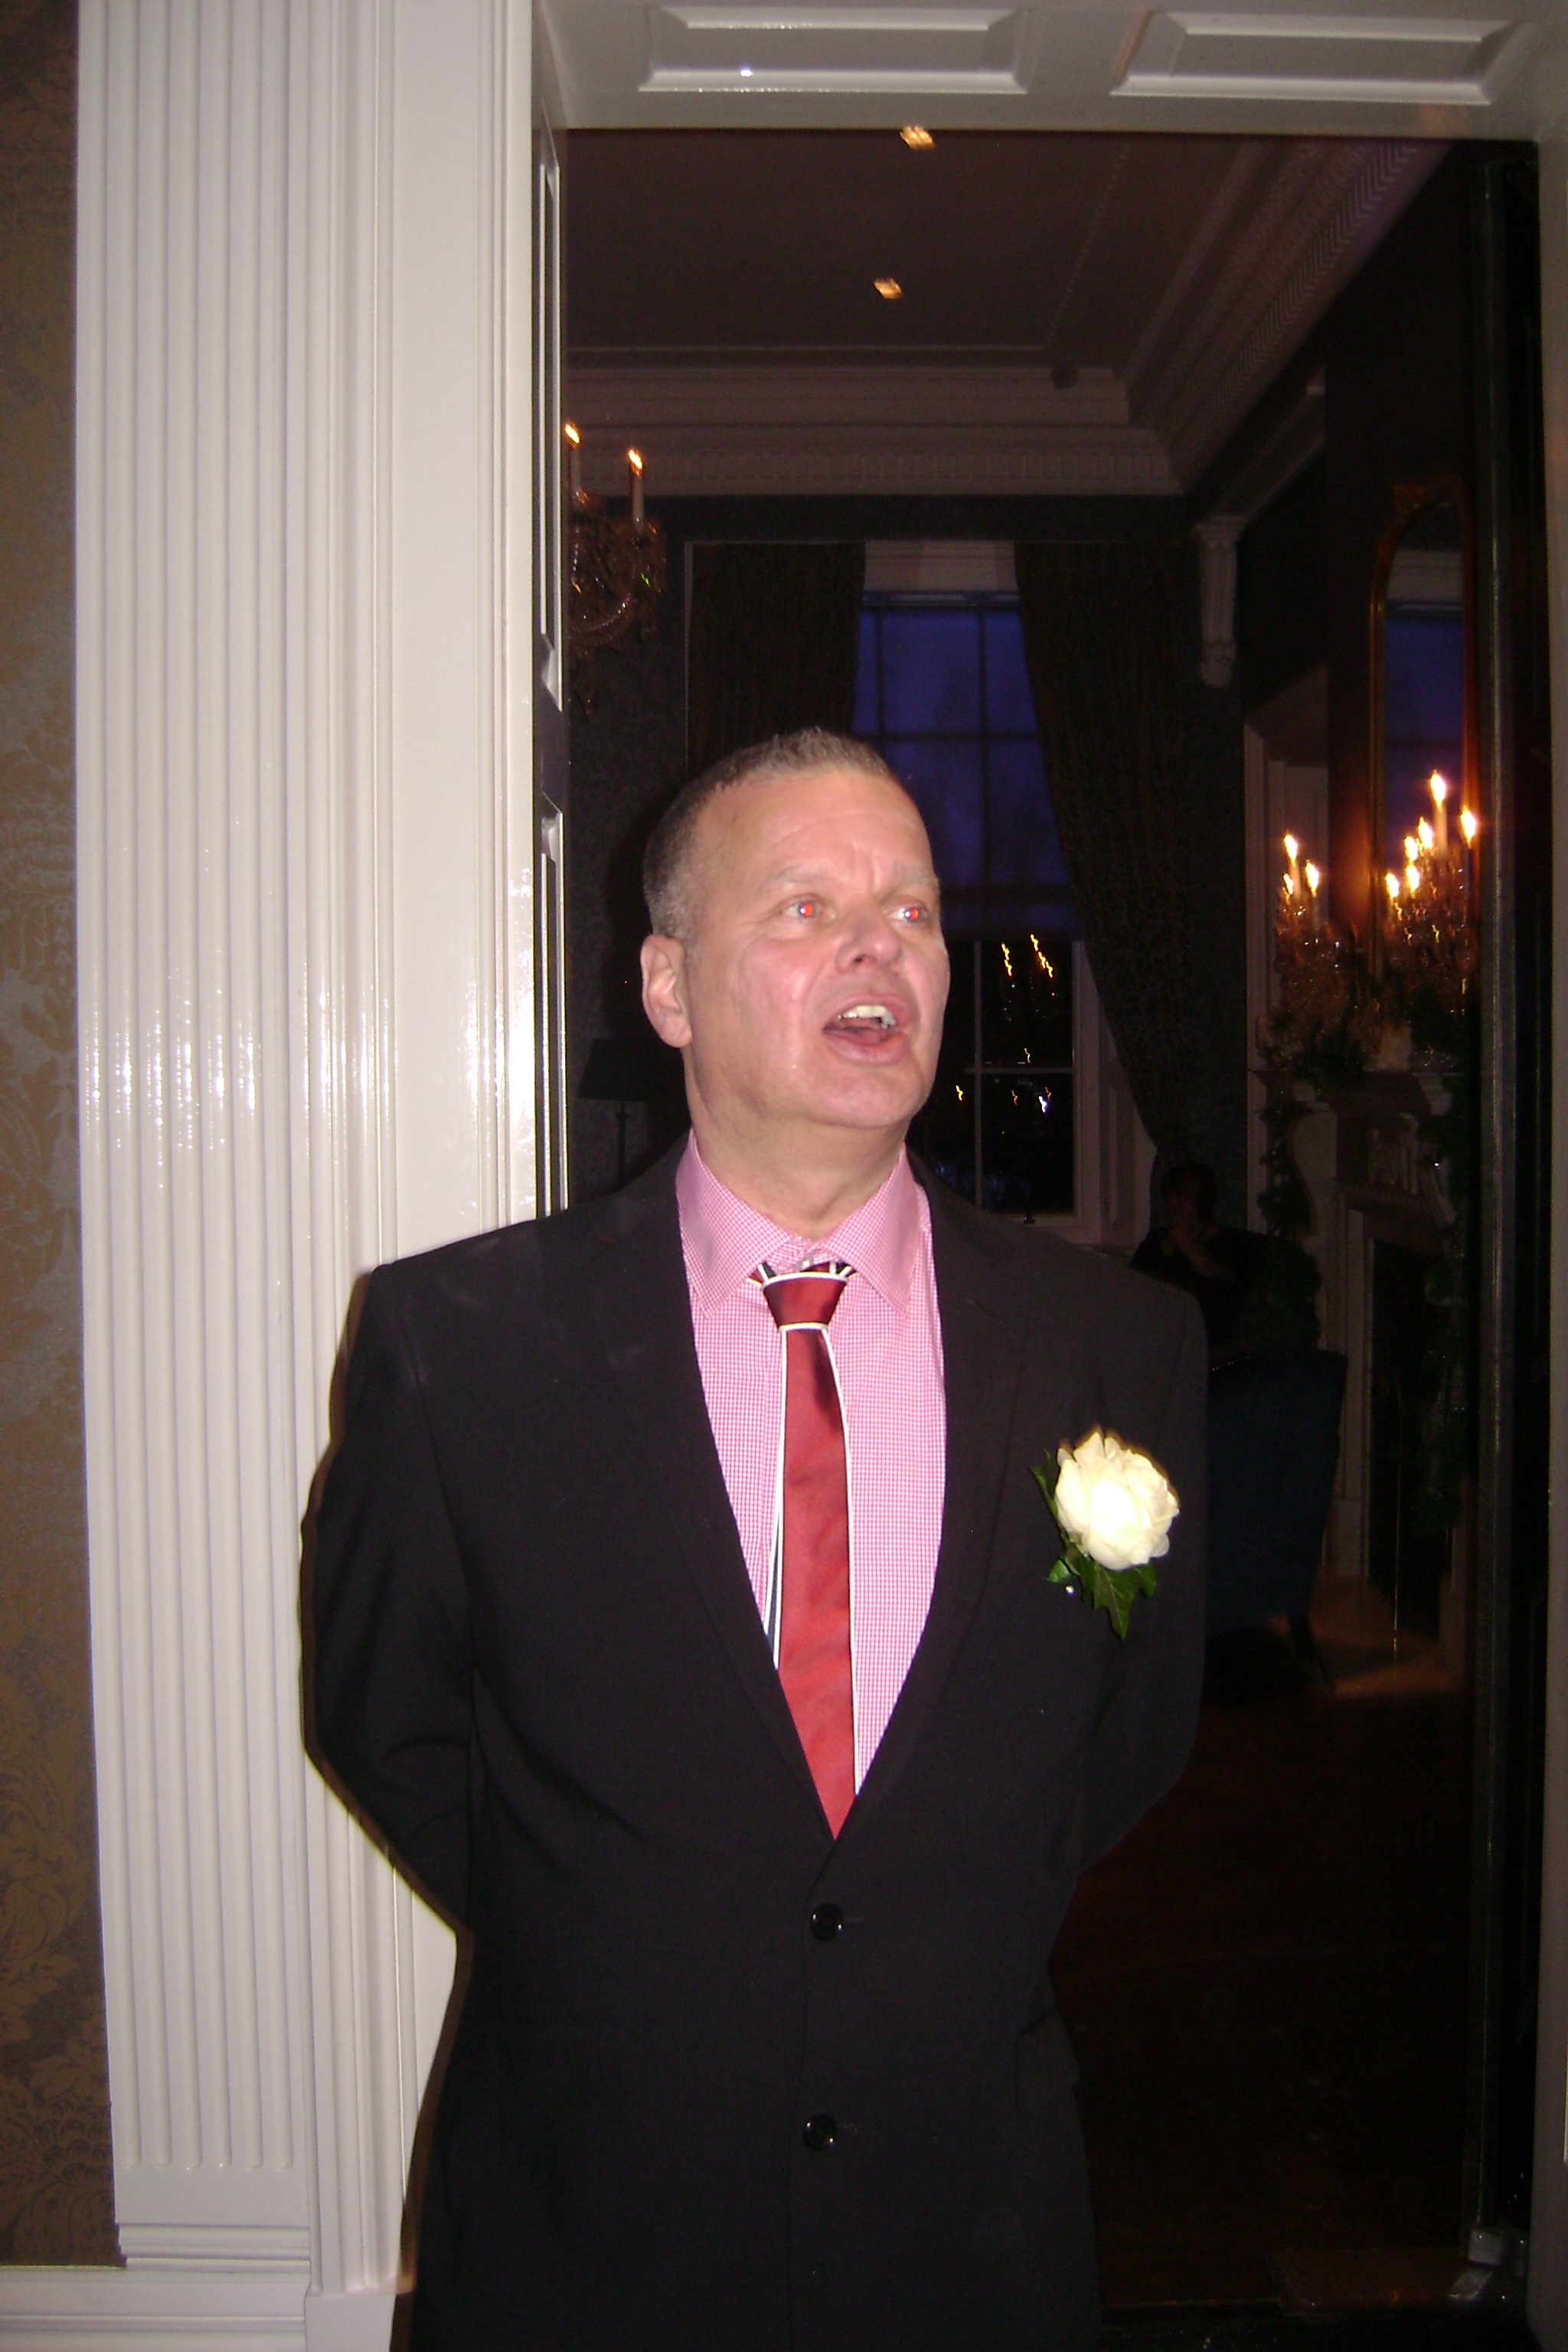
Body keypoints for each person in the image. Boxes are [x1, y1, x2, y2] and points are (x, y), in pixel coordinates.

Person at [309, 729, 1207, 2352]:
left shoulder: (1118, 1347)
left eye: (912, 910)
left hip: (968, 2229)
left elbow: (1126, 1739)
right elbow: (387, 1721)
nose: (880, 948)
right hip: (592, 2225)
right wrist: (625, 1932)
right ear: (666, 987)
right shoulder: (460, 1350)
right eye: (804, 908)